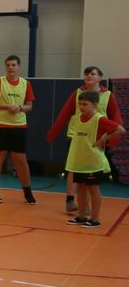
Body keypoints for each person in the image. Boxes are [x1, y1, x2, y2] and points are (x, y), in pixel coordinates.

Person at [46, 66, 123, 212]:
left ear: (100, 78)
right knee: (72, 168)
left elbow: (116, 118)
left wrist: (112, 139)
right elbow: (65, 113)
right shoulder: (78, 93)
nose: (88, 76)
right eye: (86, 73)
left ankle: (86, 205)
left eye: (92, 74)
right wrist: (53, 132)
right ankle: (70, 199)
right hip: (76, 135)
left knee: (90, 172)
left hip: (96, 139)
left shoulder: (107, 95)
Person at [63, 91, 125, 228]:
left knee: (93, 189)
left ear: (95, 104)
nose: (81, 106)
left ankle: (95, 219)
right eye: (79, 104)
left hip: (93, 162)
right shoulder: (77, 118)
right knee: (80, 189)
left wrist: (104, 138)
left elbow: (120, 130)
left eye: (85, 104)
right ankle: (82, 215)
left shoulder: (99, 119)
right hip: (80, 161)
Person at [0, 55, 36, 204]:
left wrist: (19, 108)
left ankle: (28, 192)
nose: (10, 67)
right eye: (8, 65)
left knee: (20, 159)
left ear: (18, 67)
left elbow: (29, 106)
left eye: (13, 65)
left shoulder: (26, 84)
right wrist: (5, 106)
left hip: (19, 126)